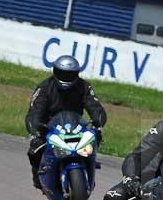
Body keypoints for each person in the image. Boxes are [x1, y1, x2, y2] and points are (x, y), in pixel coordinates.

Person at [24, 55, 107, 189]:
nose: (65, 77)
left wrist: (99, 120)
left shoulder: (84, 86)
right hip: (49, 129)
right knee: (35, 149)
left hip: (76, 128)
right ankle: (38, 176)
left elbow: (94, 105)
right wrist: (35, 130)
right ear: (55, 71)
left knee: (94, 139)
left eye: (69, 74)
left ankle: (88, 170)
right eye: (62, 73)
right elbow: (35, 111)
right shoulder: (45, 87)